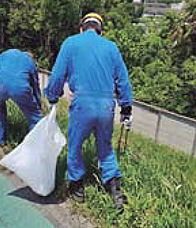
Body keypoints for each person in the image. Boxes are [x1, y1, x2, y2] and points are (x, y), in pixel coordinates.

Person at [44, 13, 133, 211]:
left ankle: (77, 187)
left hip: (82, 103)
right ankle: (114, 188)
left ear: (82, 28)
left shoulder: (71, 43)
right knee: (105, 146)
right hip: (106, 105)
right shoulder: (111, 47)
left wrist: (52, 96)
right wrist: (126, 107)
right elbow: (123, 80)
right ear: (100, 30)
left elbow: (58, 74)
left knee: (75, 146)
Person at [0, 49, 42, 145]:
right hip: (20, 88)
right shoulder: (30, 63)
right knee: (35, 117)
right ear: (32, 57)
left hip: (0, 85)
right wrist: (39, 105)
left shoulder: (8, 53)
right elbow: (35, 87)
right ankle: (33, 145)